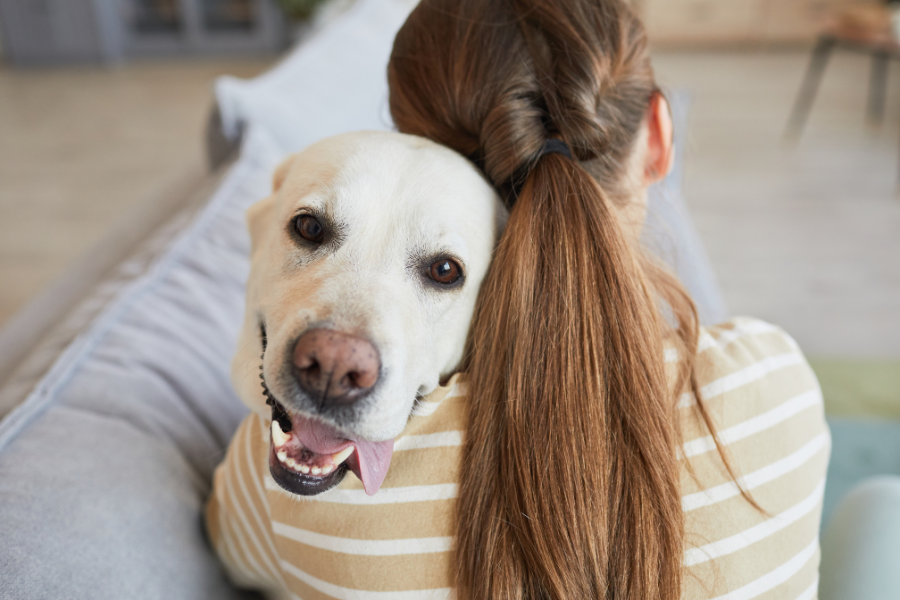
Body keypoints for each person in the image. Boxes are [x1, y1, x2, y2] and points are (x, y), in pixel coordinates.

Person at [208, 1, 829, 598]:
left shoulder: (279, 485)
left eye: (443, 270)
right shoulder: (778, 380)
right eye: (313, 231)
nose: (334, 361)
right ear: (661, 136)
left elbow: (232, 556)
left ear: (419, 137)